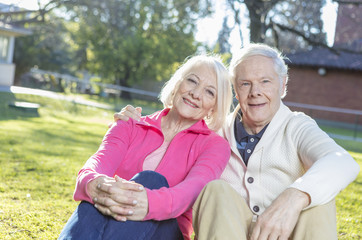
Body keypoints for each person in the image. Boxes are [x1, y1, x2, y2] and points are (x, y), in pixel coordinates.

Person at [115, 43, 360, 240]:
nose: (255, 92)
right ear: (234, 90)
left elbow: (342, 162)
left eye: (265, 81)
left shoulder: (297, 126)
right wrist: (136, 123)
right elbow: (173, 130)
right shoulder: (213, 132)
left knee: (319, 200)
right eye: (245, 84)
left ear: (282, 85)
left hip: (288, 232)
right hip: (230, 232)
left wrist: (295, 197)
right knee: (216, 189)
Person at [58, 54, 233, 240]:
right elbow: (98, 163)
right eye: (192, 81)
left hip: (166, 233)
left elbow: (191, 191)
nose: (196, 94)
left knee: (151, 180)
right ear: (177, 84)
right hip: (111, 218)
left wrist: (148, 203)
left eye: (209, 92)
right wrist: (94, 183)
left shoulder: (215, 146)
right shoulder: (129, 124)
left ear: (214, 106)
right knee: (97, 195)